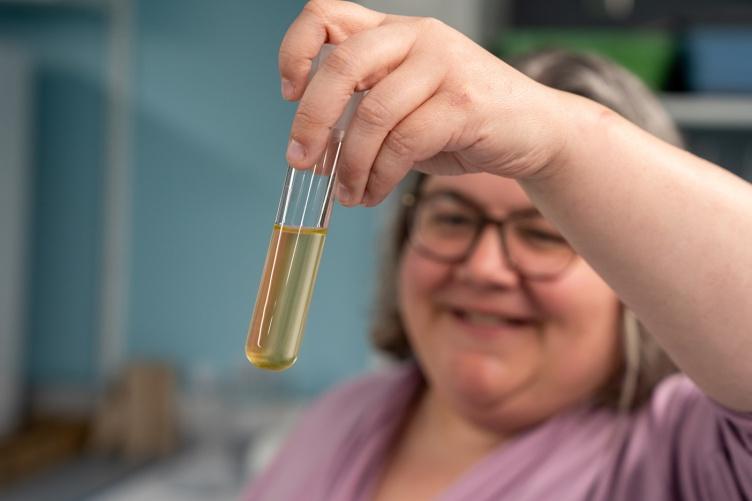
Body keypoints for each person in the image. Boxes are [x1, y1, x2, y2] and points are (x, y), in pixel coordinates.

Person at [246, 1, 752, 499]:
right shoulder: (341, 417)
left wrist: (562, 141)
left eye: (543, 234)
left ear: (638, 272)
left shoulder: (686, 454)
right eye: (453, 219)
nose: (484, 268)